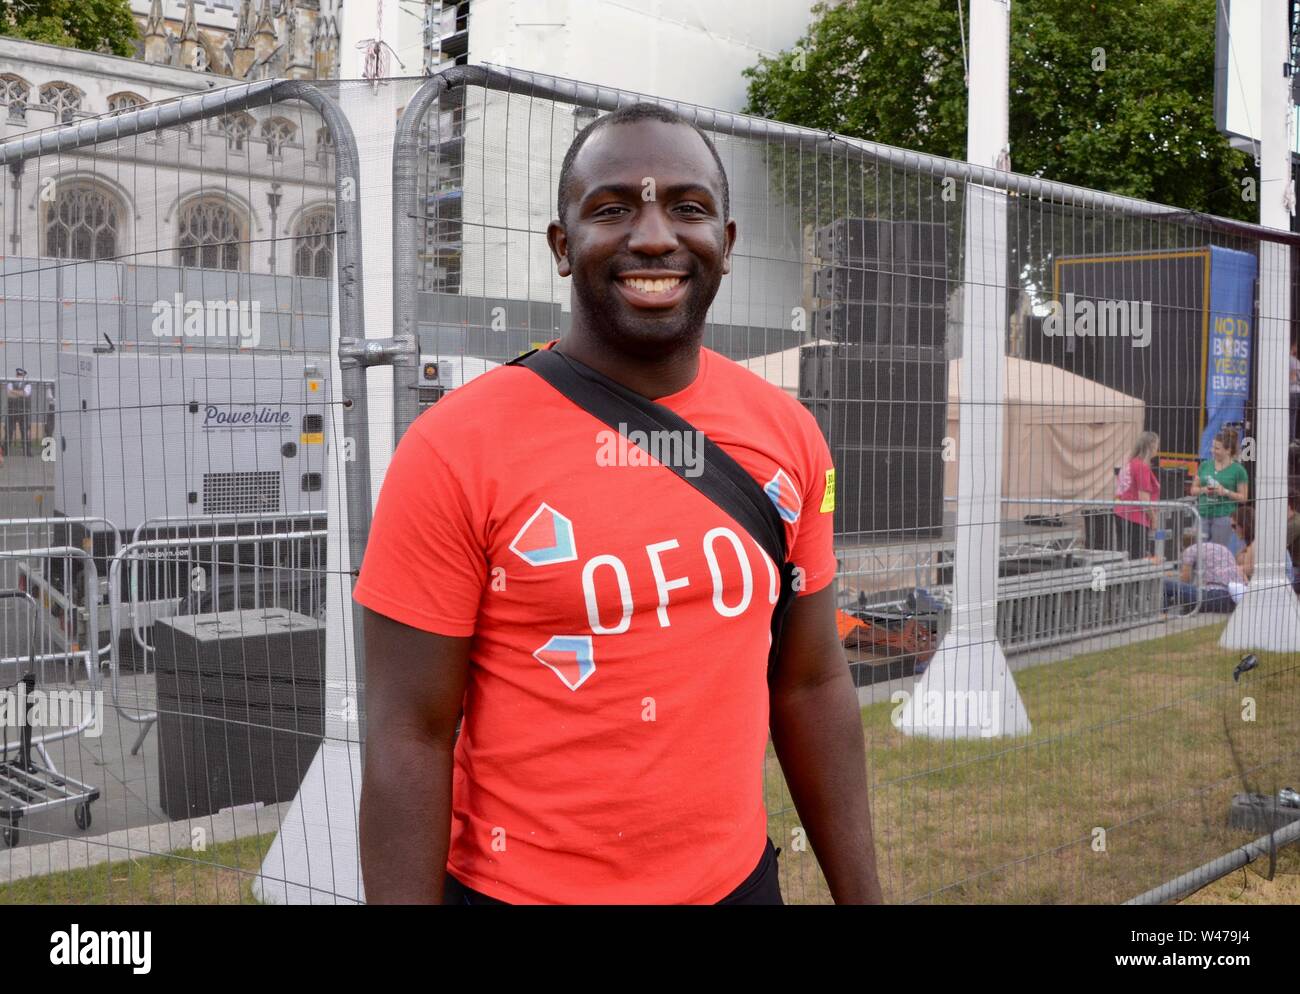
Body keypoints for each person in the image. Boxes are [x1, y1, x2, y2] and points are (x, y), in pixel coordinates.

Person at [353, 103, 882, 905]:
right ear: (563, 247)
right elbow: (408, 738)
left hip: (738, 887)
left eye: (687, 207)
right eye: (612, 210)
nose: (654, 236)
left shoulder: (790, 435)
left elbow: (810, 684)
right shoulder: (453, 448)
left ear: (726, 244)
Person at [1189, 426, 1248, 554]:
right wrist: (1204, 490)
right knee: (1196, 551)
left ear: (1228, 450)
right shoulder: (1205, 465)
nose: (1212, 451)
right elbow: (1193, 489)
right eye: (1212, 447)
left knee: (1217, 554)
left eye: (1217, 448)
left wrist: (1225, 492)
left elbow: (1244, 498)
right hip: (1202, 514)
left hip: (1224, 516)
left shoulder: (1239, 470)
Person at [1163, 529, 1241, 614]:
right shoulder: (1221, 548)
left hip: (1214, 595)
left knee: (1165, 584)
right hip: (1233, 599)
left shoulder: (1190, 550)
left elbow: (1186, 578)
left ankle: (1162, 614)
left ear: (1182, 546)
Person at [1114, 430, 1160, 559]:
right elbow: (1143, 499)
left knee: (1124, 554)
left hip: (1121, 513)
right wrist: (1154, 518)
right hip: (1135, 517)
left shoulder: (1130, 463)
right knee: (1136, 556)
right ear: (1151, 446)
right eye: (1157, 445)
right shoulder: (1142, 467)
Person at [1232, 504, 1296, 587]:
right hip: (1275, 581)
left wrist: (1239, 569)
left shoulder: (1261, 541)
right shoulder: (1255, 539)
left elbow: (1256, 567)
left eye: (1234, 526)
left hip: (1282, 584)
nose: (1233, 530)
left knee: (1238, 568)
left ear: (1244, 525)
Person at [4, 368, 32, 457]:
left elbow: (26, 393)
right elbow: (9, 394)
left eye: (20, 375)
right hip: (12, 411)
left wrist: (13, 392)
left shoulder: (28, 384)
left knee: (24, 431)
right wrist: (20, 393)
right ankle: (6, 451)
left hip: (24, 411)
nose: (19, 376)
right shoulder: (11, 382)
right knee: (9, 431)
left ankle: (27, 452)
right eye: (18, 375)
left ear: (23, 376)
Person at [1291, 341, 1300, 441]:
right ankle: (1292, 437)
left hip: (1288, 391)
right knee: (1293, 415)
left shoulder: (1283, 360)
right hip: (1295, 390)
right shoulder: (1296, 362)